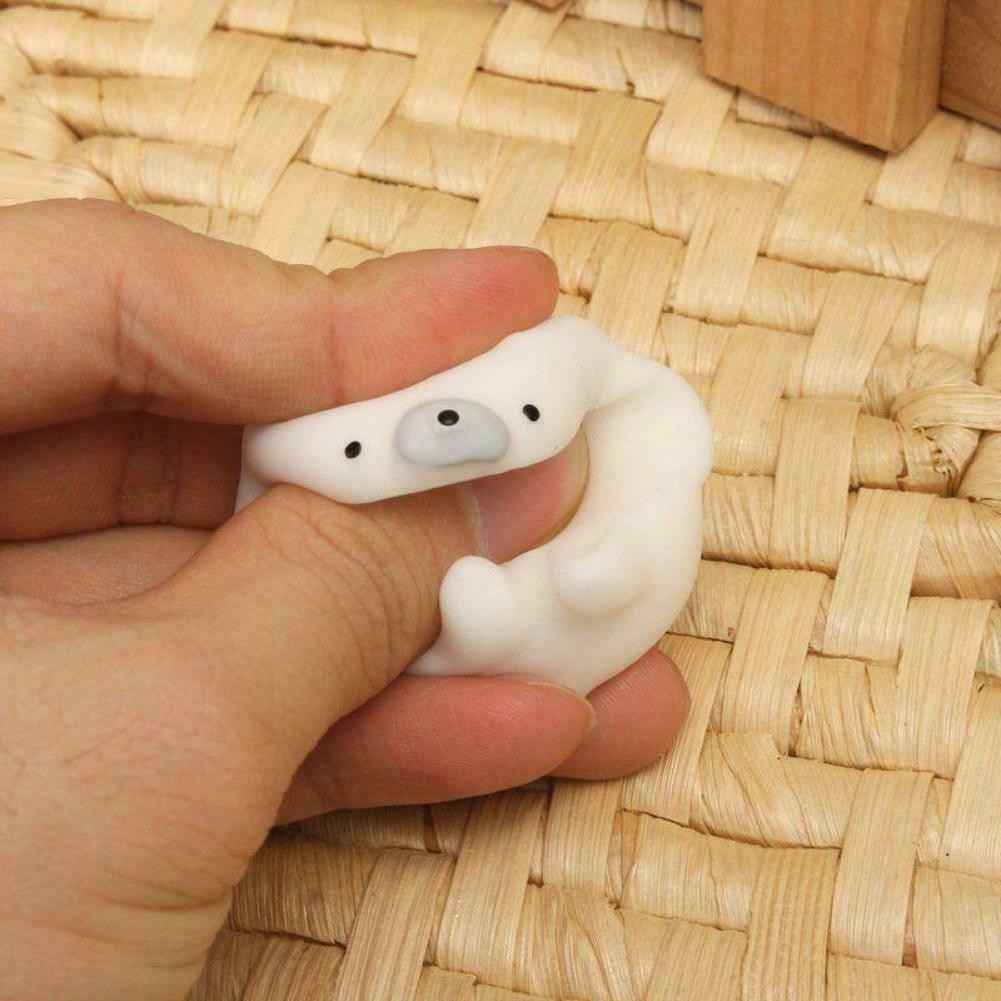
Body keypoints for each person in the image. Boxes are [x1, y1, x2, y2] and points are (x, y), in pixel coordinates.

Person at [0, 199, 690, 1000]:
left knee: (579, 597)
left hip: (586, 583)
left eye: (529, 412)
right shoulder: (297, 468)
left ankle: (543, 603)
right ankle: (509, 618)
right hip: (503, 623)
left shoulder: (632, 429)